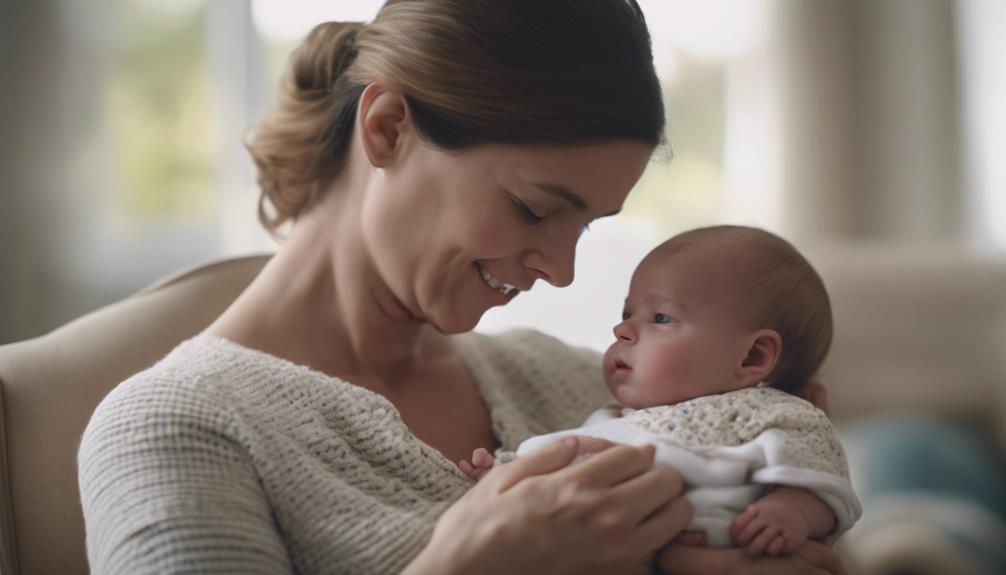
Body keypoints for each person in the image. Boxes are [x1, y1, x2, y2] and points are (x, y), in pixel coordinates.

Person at [77, 1, 845, 574]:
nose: (562, 268)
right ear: (387, 130)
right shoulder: (178, 427)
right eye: (536, 208)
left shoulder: (566, 379)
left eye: (583, 226)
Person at [461, 225, 862, 556]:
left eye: (661, 317)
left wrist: (792, 511)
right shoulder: (610, 419)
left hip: (732, 542)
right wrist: (506, 476)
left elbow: (824, 480)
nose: (622, 330)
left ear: (752, 357)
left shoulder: (772, 412)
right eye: (626, 314)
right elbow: (565, 468)